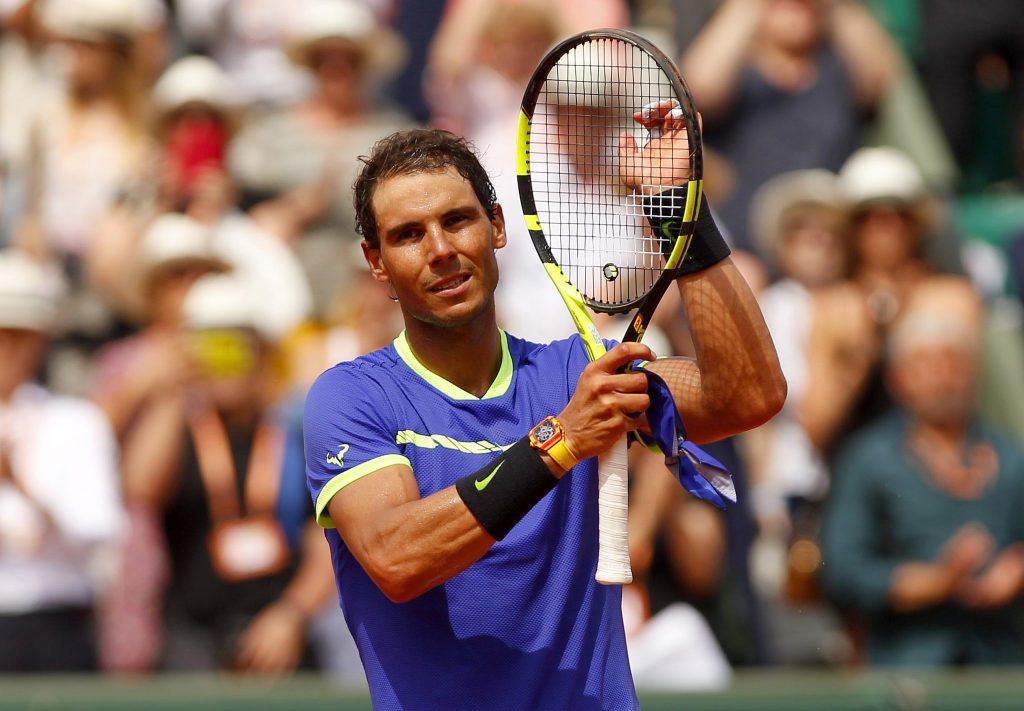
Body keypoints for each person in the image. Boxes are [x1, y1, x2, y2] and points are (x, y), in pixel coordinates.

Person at [303, 125, 785, 707]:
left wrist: (677, 210)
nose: (439, 250)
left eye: (457, 221)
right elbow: (396, 557)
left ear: (497, 226)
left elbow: (747, 394)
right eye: (409, 235)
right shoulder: (351, 396)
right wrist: (562, 441)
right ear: (376, 262)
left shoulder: (579, 374)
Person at [820, 279, 1024, 666]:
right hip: (909, 666)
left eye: (953, 363)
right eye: (926, 365)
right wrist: (932, 582)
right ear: (898, 378)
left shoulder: (1010, 457)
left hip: (1001, 664)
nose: (942, 377)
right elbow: (842, 570)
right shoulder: (869, 459)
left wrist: (1016, 570)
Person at [0, 248, 124, 672]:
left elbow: (98, 531)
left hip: (53, 627)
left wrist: (20, 482)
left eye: (18, 333)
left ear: (41, 340)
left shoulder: (76, 423)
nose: (5, 347)